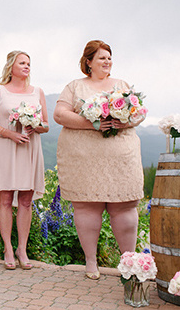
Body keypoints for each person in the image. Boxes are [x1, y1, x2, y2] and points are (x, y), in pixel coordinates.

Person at [53, 39, 145, 280]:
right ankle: (91, 262)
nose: (107, 61)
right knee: (87, 206)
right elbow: (60, 114)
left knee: (124, 206)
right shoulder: (75, 86)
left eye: (109, 57)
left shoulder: (122, 85)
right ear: (89, 62)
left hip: (120, 160)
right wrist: (92, 123)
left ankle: (128, 262)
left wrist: (123, 121)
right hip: (84, 161)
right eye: (102, 57)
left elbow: (139, 113)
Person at [0, 51, 48, 270]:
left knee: (26, 200)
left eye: (29, 63)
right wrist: (10, 133)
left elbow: (46, 125)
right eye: (22, 62)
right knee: (5, 198)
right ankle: (8, 248)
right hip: (6, 147)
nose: (26, 66)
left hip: (29, 148)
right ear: (11, 66)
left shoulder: (37, 92)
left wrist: (34, 126)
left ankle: (22, 248)